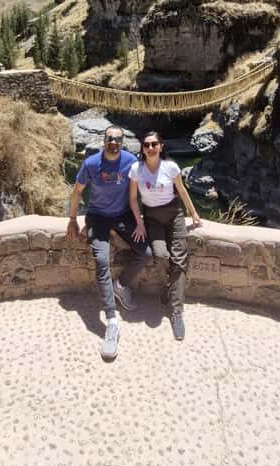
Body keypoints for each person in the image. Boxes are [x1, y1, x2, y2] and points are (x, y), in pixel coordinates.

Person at [67, 125, 151, 360]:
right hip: (97, 217)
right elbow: (76, 193)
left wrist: (144, 219)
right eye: (109, 139)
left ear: (122, 142)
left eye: (117, 139)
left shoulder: (130, 161)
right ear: (104, 141)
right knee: (102, 261)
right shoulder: (91, 164)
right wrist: (72, 220)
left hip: (123, 215)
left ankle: (121, 285)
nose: (113, 142)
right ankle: (112, 322)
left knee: (147, 254)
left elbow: (140, 189)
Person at [129, 131, 201, 341]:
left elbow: (182, 190)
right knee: (160, 255)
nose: (150, 148)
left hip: (174, 214)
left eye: (154, 144)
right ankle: (168, 287)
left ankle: (177, 311)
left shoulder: (170, 167)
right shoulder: (136, 169)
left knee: (179, 259)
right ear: (142, 148)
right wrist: (140, 222)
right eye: (146, 145)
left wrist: (194, 214)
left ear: (161, 146)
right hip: (151, 217)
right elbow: (133, 199)